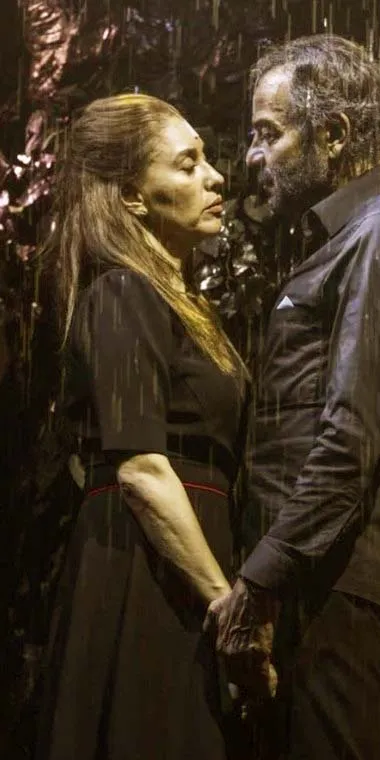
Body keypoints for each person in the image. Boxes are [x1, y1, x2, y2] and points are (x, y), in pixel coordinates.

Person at [206, 34, 380, 759]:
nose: (252, 157)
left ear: (336, 134)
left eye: (268, 134)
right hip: (315, 581)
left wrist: (259, 581)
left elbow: (350, 437)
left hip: (337, 586)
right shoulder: (353, 237)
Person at [34, 93, 250, 760]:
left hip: (183, 562)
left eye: (206, 160)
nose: (215, 178)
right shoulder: (123, 293)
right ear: (132, 196)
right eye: (187, 165)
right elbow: (141, 470)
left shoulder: (187, 306)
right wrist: (228, 609)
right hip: (143, 570)